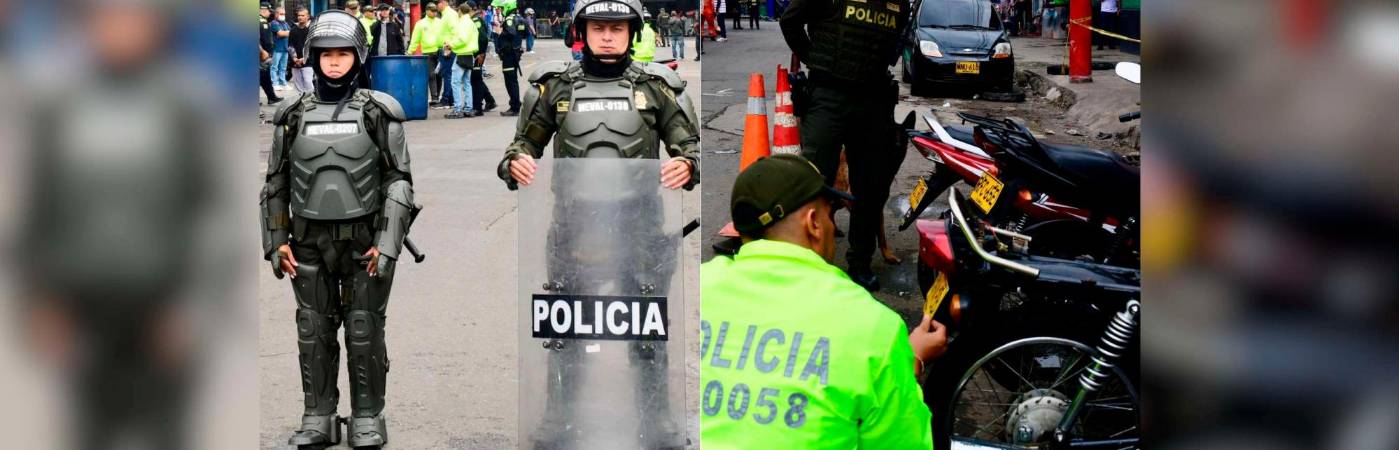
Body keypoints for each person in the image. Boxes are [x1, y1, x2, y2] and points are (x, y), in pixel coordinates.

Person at [497, 0, 700, 444]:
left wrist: (685, 164)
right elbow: (520, 147)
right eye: (598, 28)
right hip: (573, 229)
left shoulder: (658, 88)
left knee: (646, 328)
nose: (608, 36)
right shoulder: (553, 89)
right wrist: (517, 163)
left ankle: (655, 419)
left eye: (617, 28)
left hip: (641, 228)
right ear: (581, 32)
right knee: (566, 328)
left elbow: (690, 147)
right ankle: (558, 416)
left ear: (633, 33)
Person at [699, 154, 946, 448]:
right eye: (830, 214)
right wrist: (909, 362)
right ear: (814, 223)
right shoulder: (872, 326)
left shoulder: (692, 290)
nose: (831, 226)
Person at [262, 9, 417, 449]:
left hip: (364, 241)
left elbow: (399, 182)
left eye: (342, 54)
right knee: (313, 329)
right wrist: (275, 241)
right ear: (313, 58)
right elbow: (275, 182)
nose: (333, 62)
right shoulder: (292, 114)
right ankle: (319, 416)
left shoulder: (378, 111)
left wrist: (387, 245)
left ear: (358, 57)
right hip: (308, 241)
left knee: (364, 329)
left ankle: (368, 416)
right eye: (325, 54)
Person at [781, 0, 909, 291]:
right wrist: (814, 59)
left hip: (873, 102)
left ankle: (860, 264)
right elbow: (790, 20)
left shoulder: (899, 3)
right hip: (828, 96)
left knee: (870, 189)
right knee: (812, 182)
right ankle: (808, 261)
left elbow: (896, 42)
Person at [407, 2, 449, 104]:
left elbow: (446, 35)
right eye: (432, 11)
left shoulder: (440, 22)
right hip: (427, 52)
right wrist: (409, 52)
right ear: (427, 11)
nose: (435, 13)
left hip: (439, 51)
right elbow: (415, 39)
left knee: (439, 75)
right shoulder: (420, 24)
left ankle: (437, 96)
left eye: (436, 11)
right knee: (431, 75)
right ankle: (434, 97)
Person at [445, 2, 479, 119]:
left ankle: (458, 109)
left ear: (460, 11)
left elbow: (462, 39)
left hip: (461, 54)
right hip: (470, 54)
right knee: (466, 83)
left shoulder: (463, 22)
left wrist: (451, 45)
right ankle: (468, 108)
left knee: (455, 82)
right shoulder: (470, 22)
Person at [495, 0, 526, 116]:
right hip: (515, 53)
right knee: (513, 80)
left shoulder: (509, 20)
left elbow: (511, 33)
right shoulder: (519, 18)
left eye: (502, 8)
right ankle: (516, 103)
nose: (501, 11)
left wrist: (500, 32)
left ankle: (515, 107)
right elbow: (524, 32)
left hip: (509, 54)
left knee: (510, 81)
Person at [469, 4, 498, 115]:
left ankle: (477, 107)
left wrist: (481, 53)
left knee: (475, 80)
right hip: (477, 53)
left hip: (478, 54)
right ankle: (490, 101)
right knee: (477, 79)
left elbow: (482, 37)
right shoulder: (475, 19)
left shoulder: (476, 20)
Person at [436, 0, 462, 109]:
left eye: (438, 2)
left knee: (447, 74)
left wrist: (448, 48)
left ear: (444, 3)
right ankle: (450, 99)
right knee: (448, 74)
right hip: (447, 47)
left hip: (448, 48)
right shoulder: (447, 14)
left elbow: (454, 32)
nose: (437, 5)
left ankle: (446, 99)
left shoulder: (449, 15)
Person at [259, 3, 282, 104]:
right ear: (263, 10)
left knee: (265, 77)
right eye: (269, 11)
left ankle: (271, 97)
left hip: (264, 54)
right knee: (260, 75)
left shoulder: (263, 21)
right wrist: (262, 52)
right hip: (260, 55)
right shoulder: (260, 21)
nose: (270, 13)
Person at [289, 7, 315, 93]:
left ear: (308, 16)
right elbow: (290, 45)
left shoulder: (312, 29)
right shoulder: (293, 30)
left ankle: (311, 101)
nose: (300, 17)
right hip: (295, 63)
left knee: (308, 82)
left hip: (308, 62)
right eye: (299, 15)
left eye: (303, 15)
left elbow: (313, 46)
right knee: (298, 86)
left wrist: (304, 58)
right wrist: (294, 58)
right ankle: (300, 102)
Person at [271, 6, 292, 90]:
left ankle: (283, 82)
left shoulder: (285, 23)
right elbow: (280, 34)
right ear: (276, 14)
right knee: (274, 67)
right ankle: (274, 83)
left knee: (283, 67)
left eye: (284, 14)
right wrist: (287, 32)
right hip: (277, 49)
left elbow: (290, 33)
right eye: (281, 14)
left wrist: (286, 32)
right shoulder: (274, 23)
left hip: (285, 49)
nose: (283, 15)